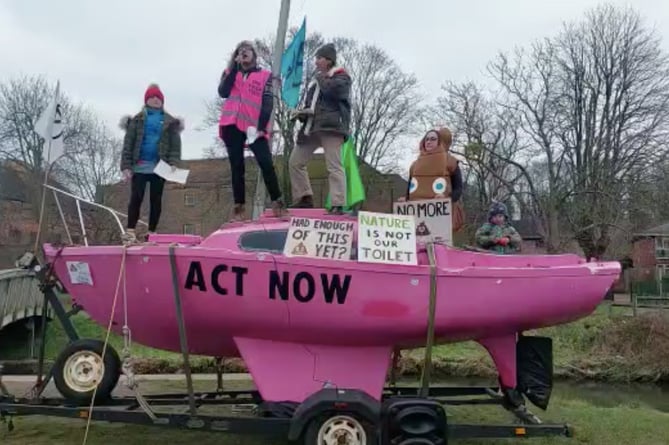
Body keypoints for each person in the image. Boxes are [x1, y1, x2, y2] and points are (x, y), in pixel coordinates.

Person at [218, 40, 286, 221]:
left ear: (254, 55)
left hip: (253, 126)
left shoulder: (265, 76)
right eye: (240, 51)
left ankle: (277, 200)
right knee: (236, 165)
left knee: (265, 162)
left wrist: (261, 127)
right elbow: (223, 92)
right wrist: (234, 68)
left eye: (247, 50)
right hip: (231, 124)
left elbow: (268, 102)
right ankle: (239, 206)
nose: (243, 52)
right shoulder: (229, 73)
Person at [289, 43, 352, 215]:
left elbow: (335, 92)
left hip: (332, 126)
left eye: (319, 58)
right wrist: (301, 114)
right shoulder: (315, 83)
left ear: (329, 60)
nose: (316, 62)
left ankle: (339, 203)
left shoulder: (341, 77)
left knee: (334, 165)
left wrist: (321, 78)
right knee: (295, 162)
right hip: (312, 127)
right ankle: (304, 197)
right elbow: (312, 105)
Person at [119, 83, 183, 243]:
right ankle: (130, 231)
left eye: (158, 98)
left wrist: (173, 163)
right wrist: (126, 167)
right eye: (152, 97)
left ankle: (152, 232)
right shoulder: (137, 120)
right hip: (140, 165)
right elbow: (128, 144)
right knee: (136, 197)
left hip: (159, 167)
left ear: (162, 101)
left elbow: (175, 147)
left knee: (156, 199)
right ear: (146, 100)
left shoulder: (170, 122)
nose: (155, 100)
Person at [400, 127, 465, 232]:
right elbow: (410, 187)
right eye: (427, 139)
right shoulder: (415, 165)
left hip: (440, 218)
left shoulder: (450, 162)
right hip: (416, 217)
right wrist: (406, 199)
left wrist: (447, 198)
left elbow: (458, 188)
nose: (429, 142)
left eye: (433, 139)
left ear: (439, 141)